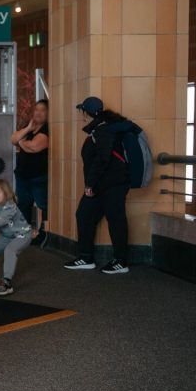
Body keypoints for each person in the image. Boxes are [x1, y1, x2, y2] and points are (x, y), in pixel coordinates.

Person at [66, 96, 131, 274]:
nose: (82, 115)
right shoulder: (100, 128)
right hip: (102, 184)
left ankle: (120, 261)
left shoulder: (103, 130)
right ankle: (86, 257)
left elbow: (103, 159)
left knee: (116, 219)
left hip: (113, 184)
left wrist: (90, 184)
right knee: (84, 214)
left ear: (86, 113)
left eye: (82, 111)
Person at [11, 99, 50, 247]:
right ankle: (24, 236)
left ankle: (44, 233)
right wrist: (27, 130)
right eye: (36, 110)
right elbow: (12, 138)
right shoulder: (29, 128)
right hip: (22, 176)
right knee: (23, 206)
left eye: (43, 110)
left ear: (48, 113)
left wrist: (20, 141)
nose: (38, 113)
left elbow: (33, 147)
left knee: (44, 206)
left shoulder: (47, 130)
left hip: (38, 177)